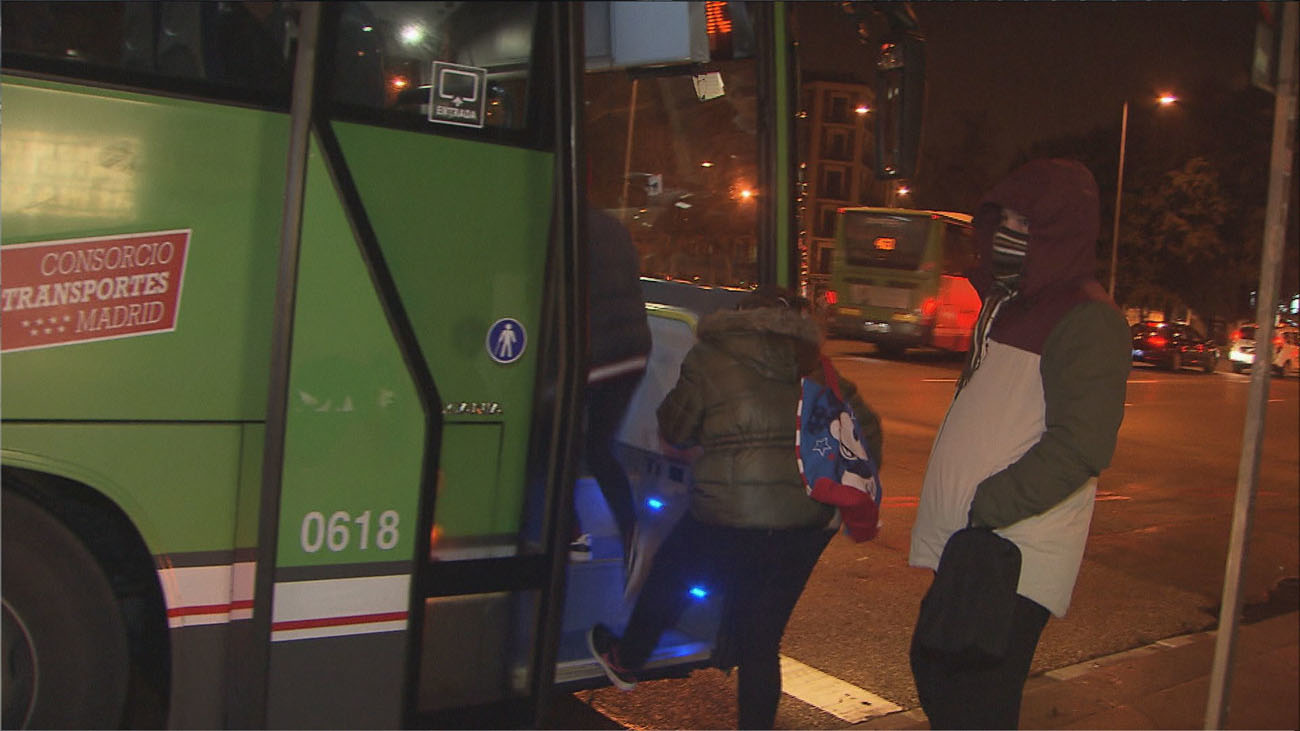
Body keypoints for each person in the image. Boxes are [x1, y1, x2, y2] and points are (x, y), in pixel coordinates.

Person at [587, 285, 883, 730]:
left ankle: (626, 658)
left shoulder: (711, 356)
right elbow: (868, 432)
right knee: (761, 643)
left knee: (670, 574)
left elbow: (675, 428)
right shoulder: (817, 367)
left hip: (728, 515)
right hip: (805, 524)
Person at [907, 158, 1132, 729]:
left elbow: (1081, 446)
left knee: (969, 700)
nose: (1007, 233)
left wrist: (989, 505)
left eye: (1024, 224)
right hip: (977, 544)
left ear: (1060, 233)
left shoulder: (1087, 319)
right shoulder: (1009, 304)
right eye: (1003, 219)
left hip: (1010, 552)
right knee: (941, 678)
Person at [571, 206, 652, 563]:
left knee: (553, 443)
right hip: (633, 350)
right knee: (599, 447)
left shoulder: (562, 223)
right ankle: (631, 530)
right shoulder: (613, 226)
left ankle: (571, 534)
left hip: (594, 351)